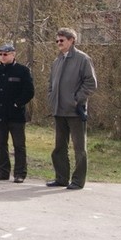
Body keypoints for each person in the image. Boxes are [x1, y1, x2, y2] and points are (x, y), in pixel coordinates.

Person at [46, 28, 98, 190]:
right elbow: (51, 85)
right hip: (58, 111)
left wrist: (77, 100)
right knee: (59, 147)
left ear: (71, 40)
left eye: (62, 40)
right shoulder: (57, 61)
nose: (59, 43)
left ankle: (77, 181)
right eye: (57, 41)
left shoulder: (83, 59)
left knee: (79, 148)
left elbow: (91, 83)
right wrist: (52, 98)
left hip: (75, 112)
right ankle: (61, 178)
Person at [0, 43, 35, 183]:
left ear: (13, 54)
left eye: (5, 54)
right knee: (1, 144)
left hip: (16, 115)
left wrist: (17, 104)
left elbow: (29, 91)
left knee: (19, 145)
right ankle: (2, 171)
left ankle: (20, 173)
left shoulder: (22, 71)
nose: (2, 57)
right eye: (0, 54)